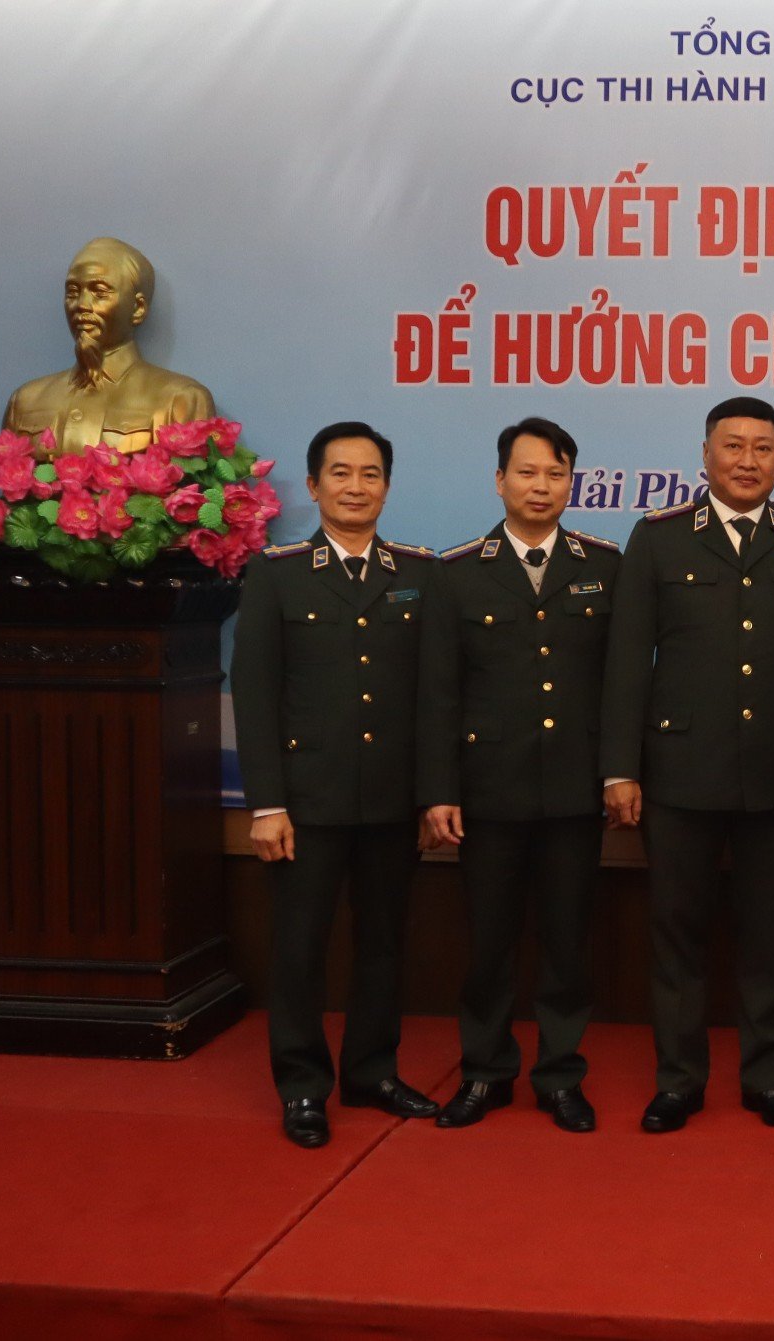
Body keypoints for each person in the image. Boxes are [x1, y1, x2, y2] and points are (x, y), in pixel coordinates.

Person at [600, 398, 774, 1133]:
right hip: (680, 770)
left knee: (770, 934)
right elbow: (627, 660)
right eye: (732, 446)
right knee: (678, 934)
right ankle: (679, 1080)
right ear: (704, 455)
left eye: (762, 448)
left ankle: (770, 1079)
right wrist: (619, 769)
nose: (747, 460)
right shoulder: (659, 536)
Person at [231, 421, 441, 1148]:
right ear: (315, 486)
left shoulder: (419, 573)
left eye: (371, 474)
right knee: (300, 948)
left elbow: (434, 696)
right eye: (342, 473)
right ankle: (302, 1086)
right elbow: (255, 694)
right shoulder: (277, 573)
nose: (357, 487)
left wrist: (431, 793)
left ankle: (372, 1072)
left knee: (383, 945)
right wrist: (267, 803)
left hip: (391, 798)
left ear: (388, 486)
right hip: (306, 801)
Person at [421, 417, 621, 1134]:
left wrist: (617, 773)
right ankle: (485, 1072)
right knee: (489, 944)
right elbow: (439, 693)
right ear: (500, 480)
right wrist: (439, 789)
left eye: (556, 474)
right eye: (528, 472)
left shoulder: (606, 565)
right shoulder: (455, 573)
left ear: (572, 483)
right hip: (488, 790)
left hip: (574, 787)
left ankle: (561, 1075)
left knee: (568, 943)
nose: (542, 486)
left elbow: (622, 682)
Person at [1, 237, 215, 454]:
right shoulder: (26, 401)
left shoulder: (181, 399)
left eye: (100, 292)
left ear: (138, 308)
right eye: (73, 292)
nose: (81, 305)